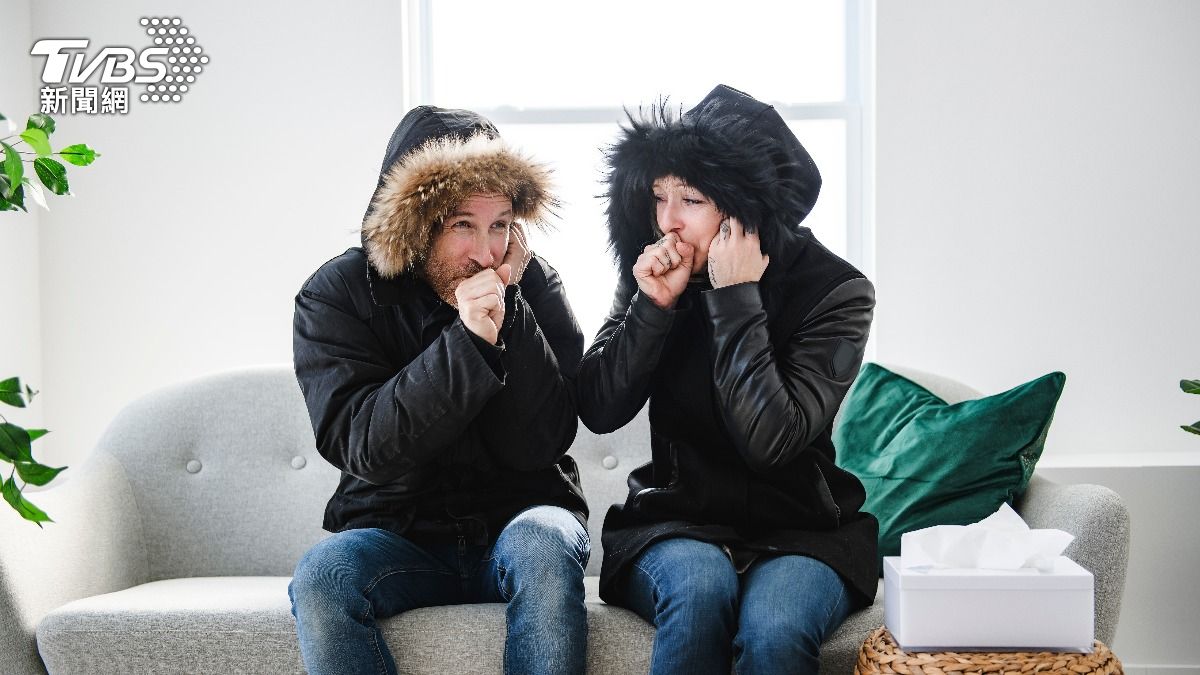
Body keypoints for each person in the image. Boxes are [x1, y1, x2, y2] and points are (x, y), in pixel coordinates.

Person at [577, 84, 879, 675]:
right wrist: (651, 309)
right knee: (697, 596)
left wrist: (736, 298)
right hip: (676, 517)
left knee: (777, 630)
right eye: (659, 195)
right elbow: (600, 407)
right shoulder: (657, 268)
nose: (666, 220)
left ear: (744, 207)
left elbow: (771, 443)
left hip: (802, 529)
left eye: (689, 198)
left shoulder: (838, 292)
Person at [289, 105, 590, 675]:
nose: (486, 253)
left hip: (520, 520)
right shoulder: (337, 294)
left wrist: (512, 312)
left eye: (500, 224)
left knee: (546, 544)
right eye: (463, 225)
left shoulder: (531, 283)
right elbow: (368, 446)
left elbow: (542, 442)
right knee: (323, 575)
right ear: (415, 223)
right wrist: (469, 341)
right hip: (396, 534)